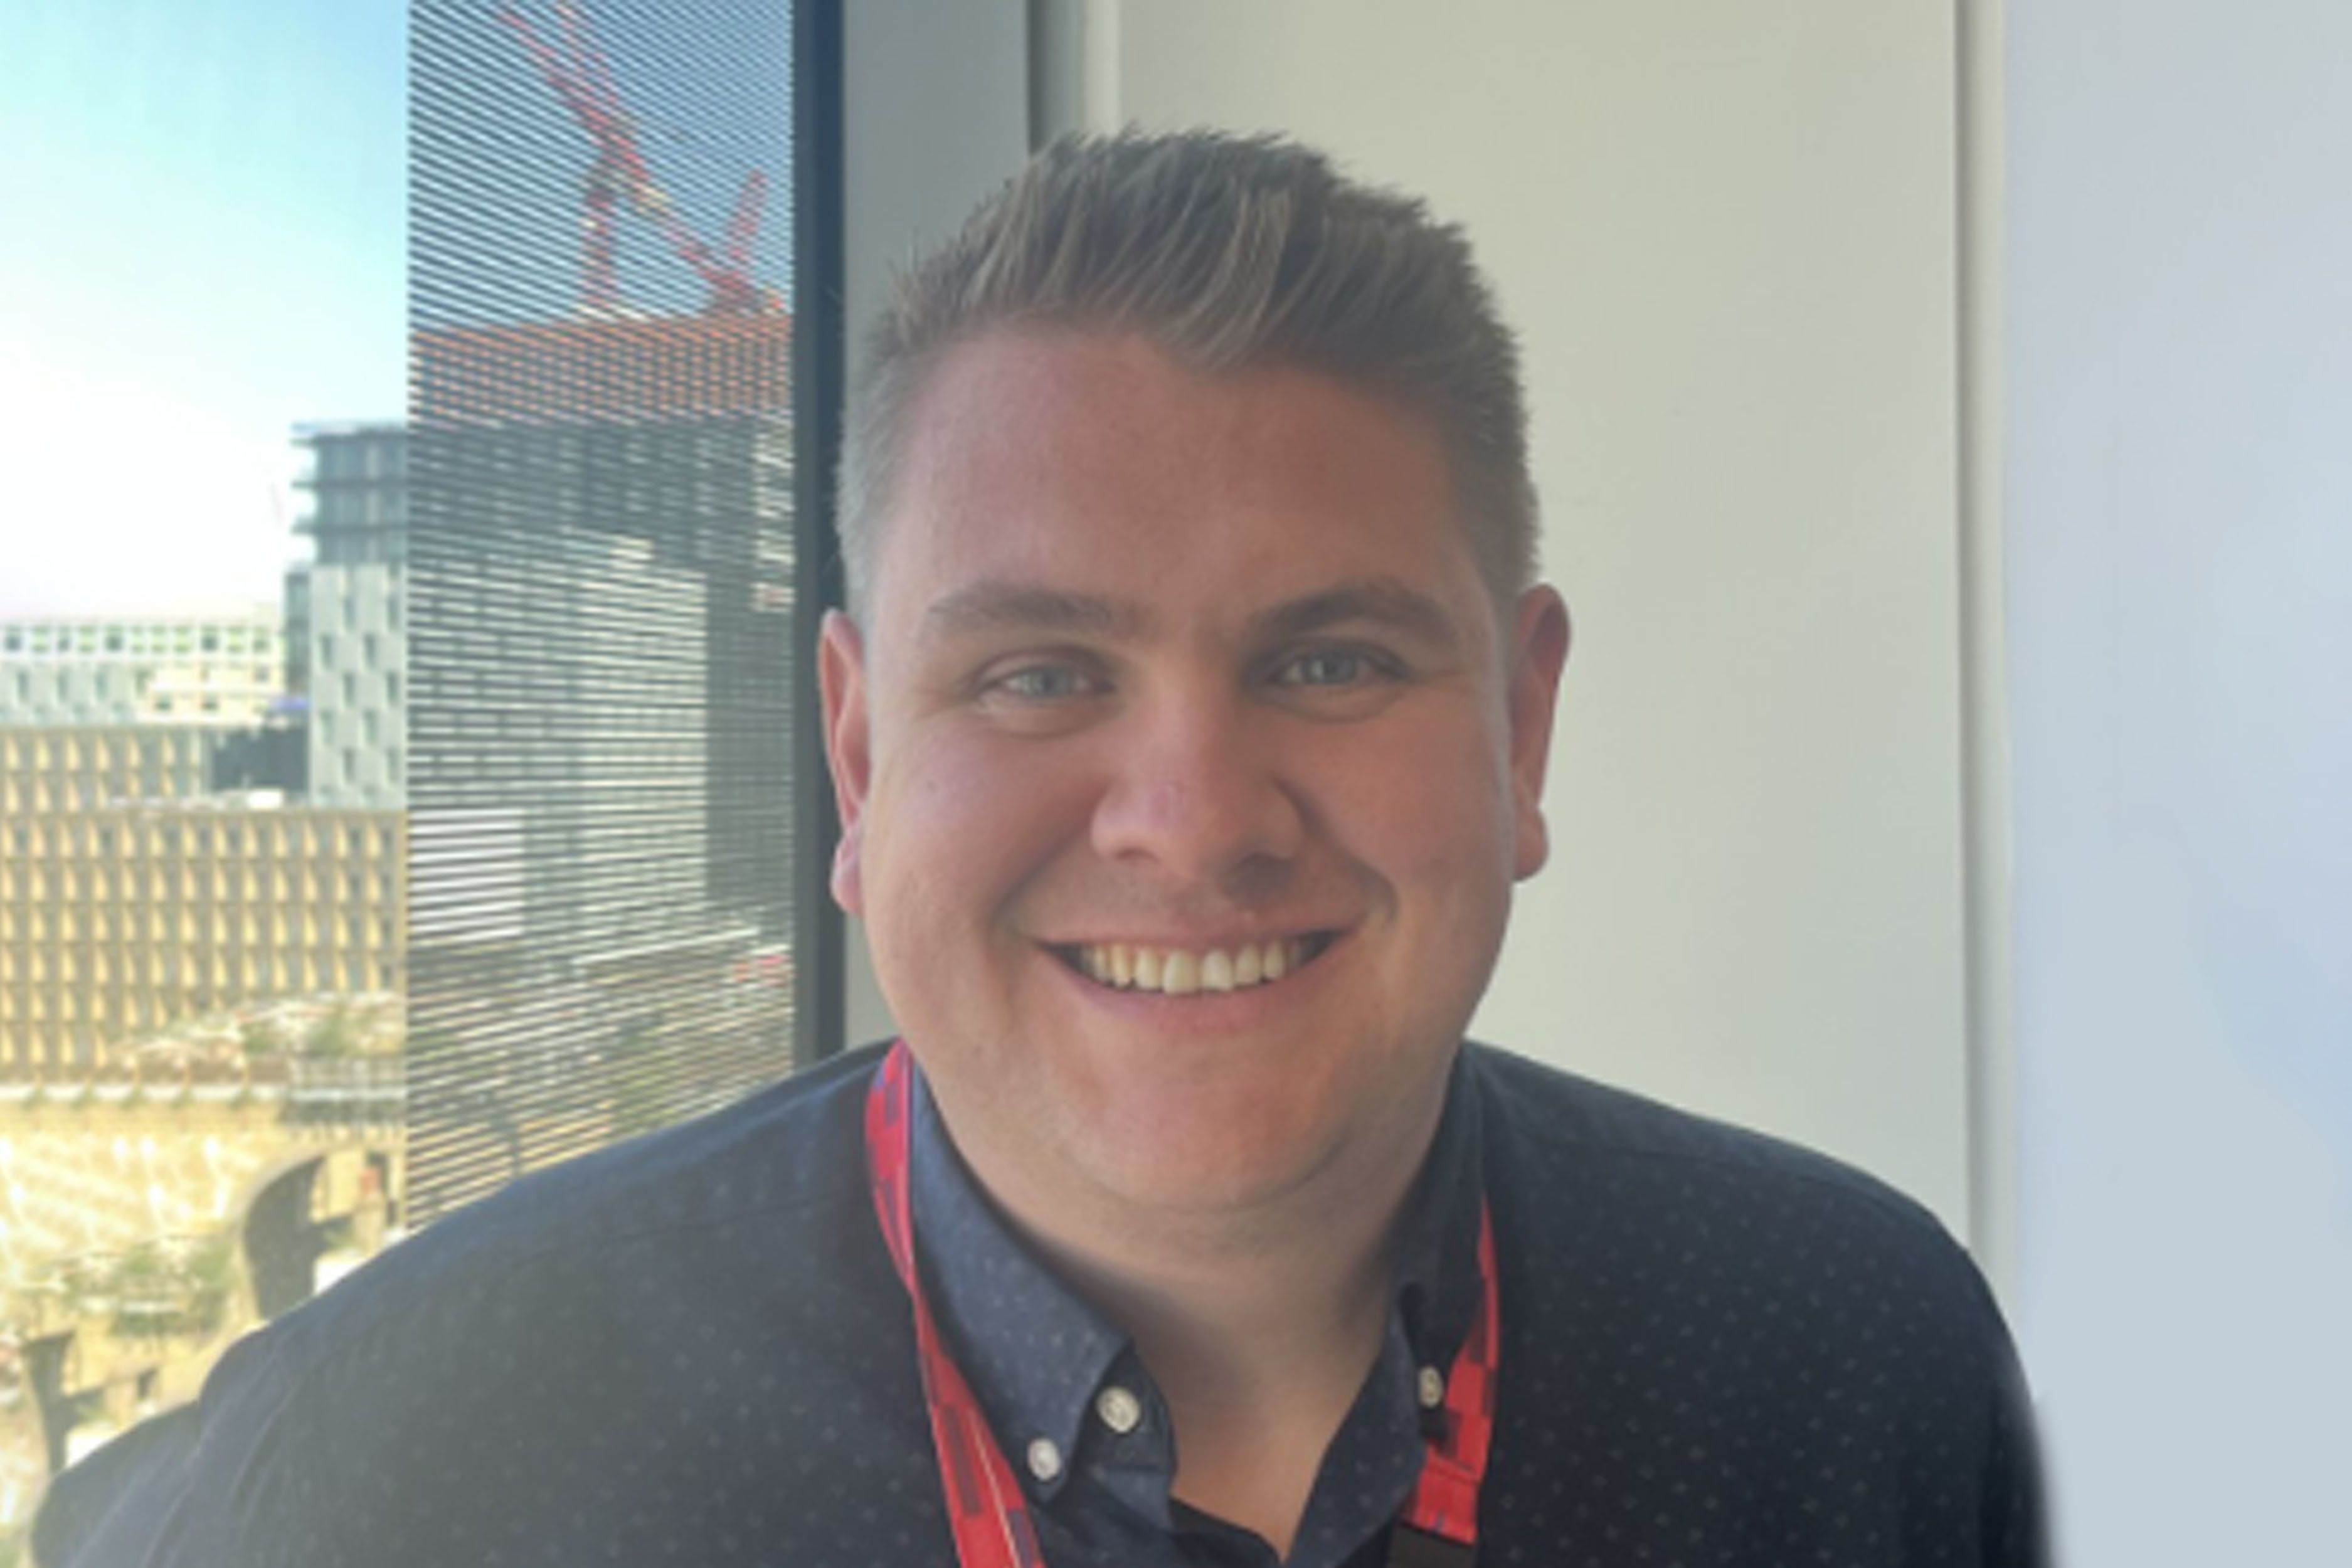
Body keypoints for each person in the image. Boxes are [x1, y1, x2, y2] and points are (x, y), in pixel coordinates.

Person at [39, 131, 2043, 1568]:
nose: (1195, 818)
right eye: (1036, 675)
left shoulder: (1856, 1358)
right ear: (857, 756)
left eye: (1331, 659)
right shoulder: (395, 1460)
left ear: (1521, 730)